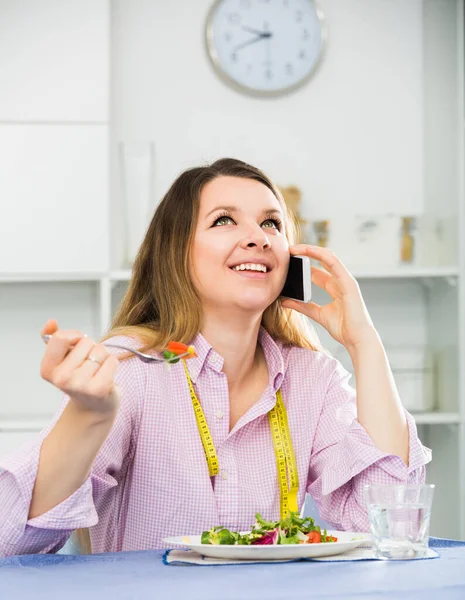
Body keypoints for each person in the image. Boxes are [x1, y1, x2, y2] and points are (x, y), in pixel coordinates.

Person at [0, 158, 431, 556]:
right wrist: (89, 416)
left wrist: (364, 343)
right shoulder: (133, 369)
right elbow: (11, 544)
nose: (257, 237)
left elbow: (390, 523)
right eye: (224, 220)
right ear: (176, 252)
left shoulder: (312, 377)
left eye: (271, 223)